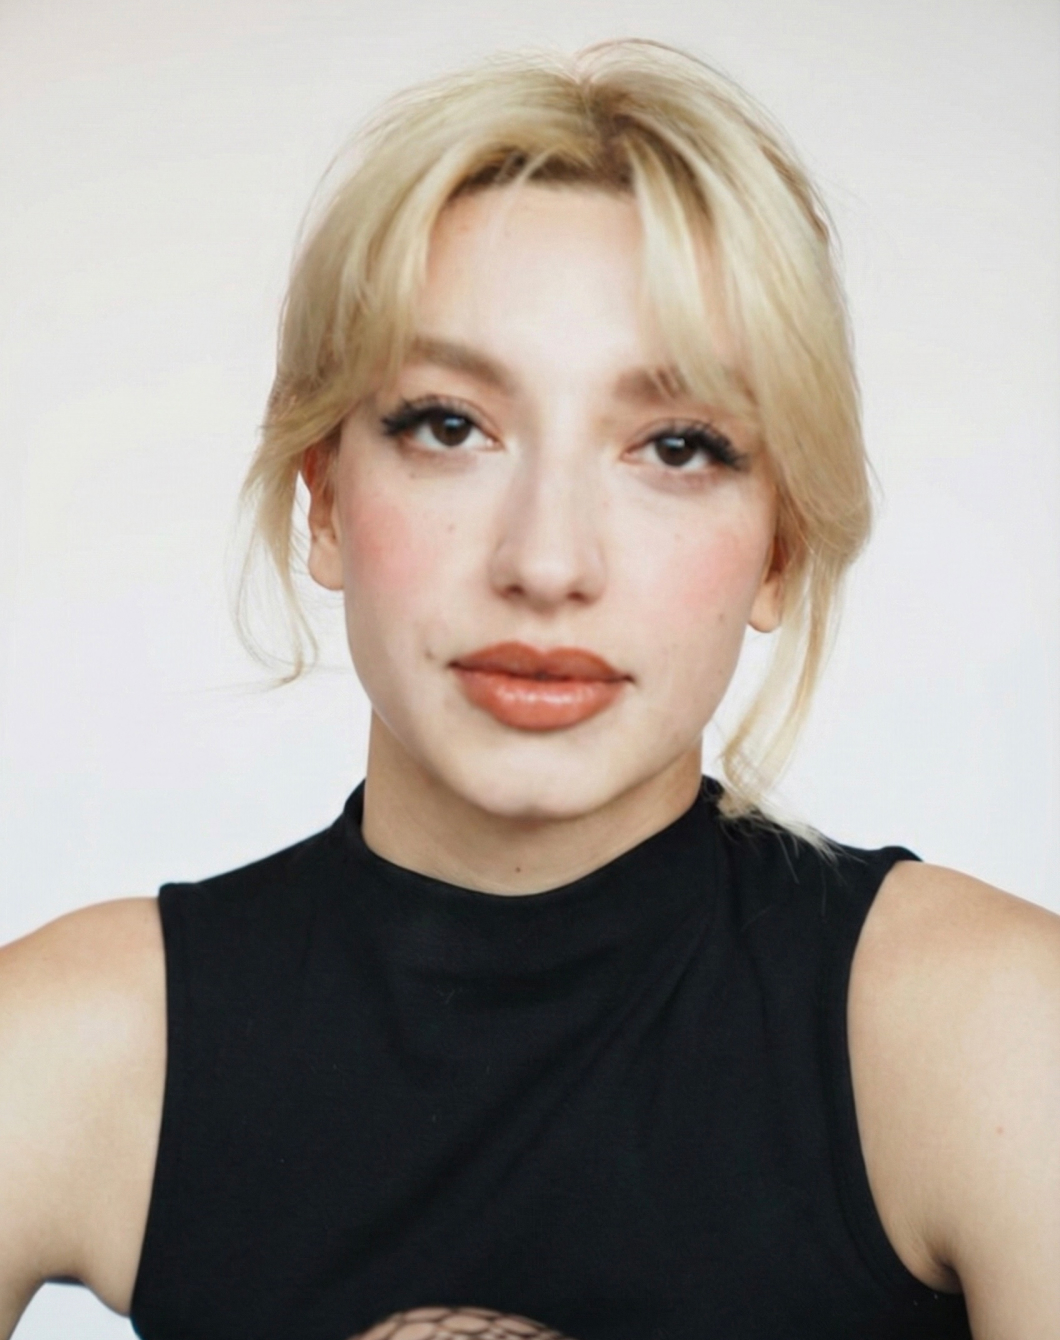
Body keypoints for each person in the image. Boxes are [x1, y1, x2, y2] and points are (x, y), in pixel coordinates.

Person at [0, 37, 1057, 1340]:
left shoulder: (999, 1037)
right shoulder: (78, 1042)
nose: (548, 564)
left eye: (678, 446)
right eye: (450, 426)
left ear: (780, 546)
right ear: (323, 500)